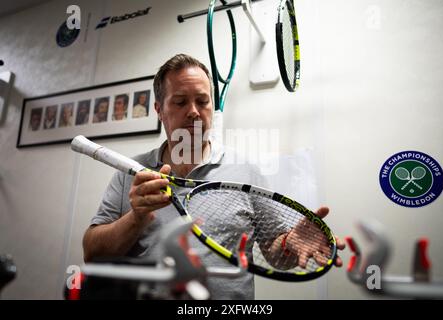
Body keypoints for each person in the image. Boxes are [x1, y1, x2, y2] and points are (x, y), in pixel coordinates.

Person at [83, 54, 345, 299]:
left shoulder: (246, 171)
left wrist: (289, 244)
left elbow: (276, 256)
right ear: (159, 110)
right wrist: (136, 217)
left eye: (202, 101)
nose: (194, 111)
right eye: (180, 101)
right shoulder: (130, 173)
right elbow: (92, 254)